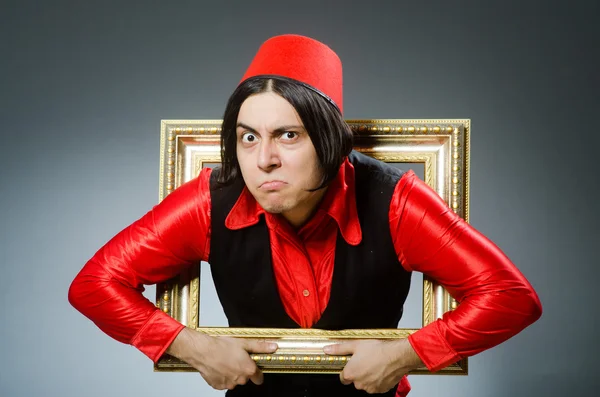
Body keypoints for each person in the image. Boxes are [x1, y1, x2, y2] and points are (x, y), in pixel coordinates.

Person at [68, 34, 542, 397]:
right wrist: (192, 346)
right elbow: (94, 285)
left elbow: (510, 297)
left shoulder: (395, 200)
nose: (264, 159)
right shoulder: (210, 201)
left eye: (288, 135)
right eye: (248, 137)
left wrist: (406, 354)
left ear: (329, 140)